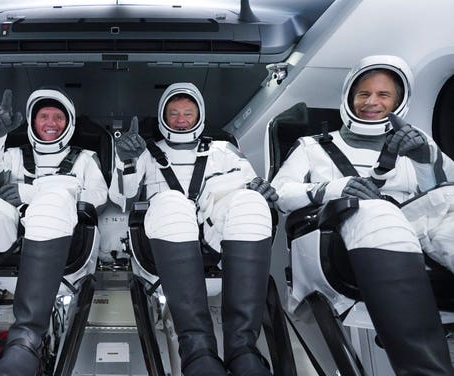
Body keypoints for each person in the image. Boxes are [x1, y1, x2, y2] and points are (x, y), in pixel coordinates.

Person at [271, 55, 454, 375]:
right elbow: (281, 194)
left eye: (384, 95)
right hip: (344, 231)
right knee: (380, 212)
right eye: (364, 94)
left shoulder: (418, 143)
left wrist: (426, 162)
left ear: (399, 102)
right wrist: (334, 189)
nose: (372, 102)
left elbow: (443, 196)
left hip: (422, 229)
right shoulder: (311, 146)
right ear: (349, 97)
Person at [109, 82, 278, 376]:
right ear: (163, 116)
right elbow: (122, 197)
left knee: (250, 202)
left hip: (216, 238)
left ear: (200, 115)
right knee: (172, 202)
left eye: (188, 112)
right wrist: (127, 162)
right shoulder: (145, 152)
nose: (181, 119)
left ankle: (243, 349)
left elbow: (250, 184)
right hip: (166, 238)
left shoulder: (223, 150)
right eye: (174, 113)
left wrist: (261, 190)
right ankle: (197, 350)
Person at [0, 87, 107, 375]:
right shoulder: (14, 154)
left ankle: (26, 343)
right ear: (32, 121)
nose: (51, 122)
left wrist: (29, 192)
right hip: (10, 236)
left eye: (58, 117)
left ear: (70, 123)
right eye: (44, 116)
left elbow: (98, 198)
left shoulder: (85, 159)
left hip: (64, 239)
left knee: (53, 200)